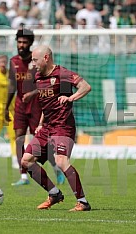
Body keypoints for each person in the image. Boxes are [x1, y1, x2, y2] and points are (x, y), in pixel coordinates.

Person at [21, 45, 91, 211]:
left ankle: (83, 202)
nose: (33, 64)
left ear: (46, 58)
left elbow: (86, 87)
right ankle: (54, 194)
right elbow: (48, 104)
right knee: (26, 160)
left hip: (63, 126)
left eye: (35, 60)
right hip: (46, 127)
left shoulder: (63, 74)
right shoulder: (38, 77)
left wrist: (71, 98)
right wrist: (39, 124)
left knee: (61, 161)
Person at [4, 28, 65, 186]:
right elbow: (12, 86)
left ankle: (56, 168)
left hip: (38, 106)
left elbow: (49, 84)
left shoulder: (37, 61)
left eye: (24, 42)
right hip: (20, 106)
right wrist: (5, 107)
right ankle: (23, 176)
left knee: (42, 142)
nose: (21, 45)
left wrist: (33, 93)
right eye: (19, 42)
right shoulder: (13, 61)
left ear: (30, 43)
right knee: (19, 139)